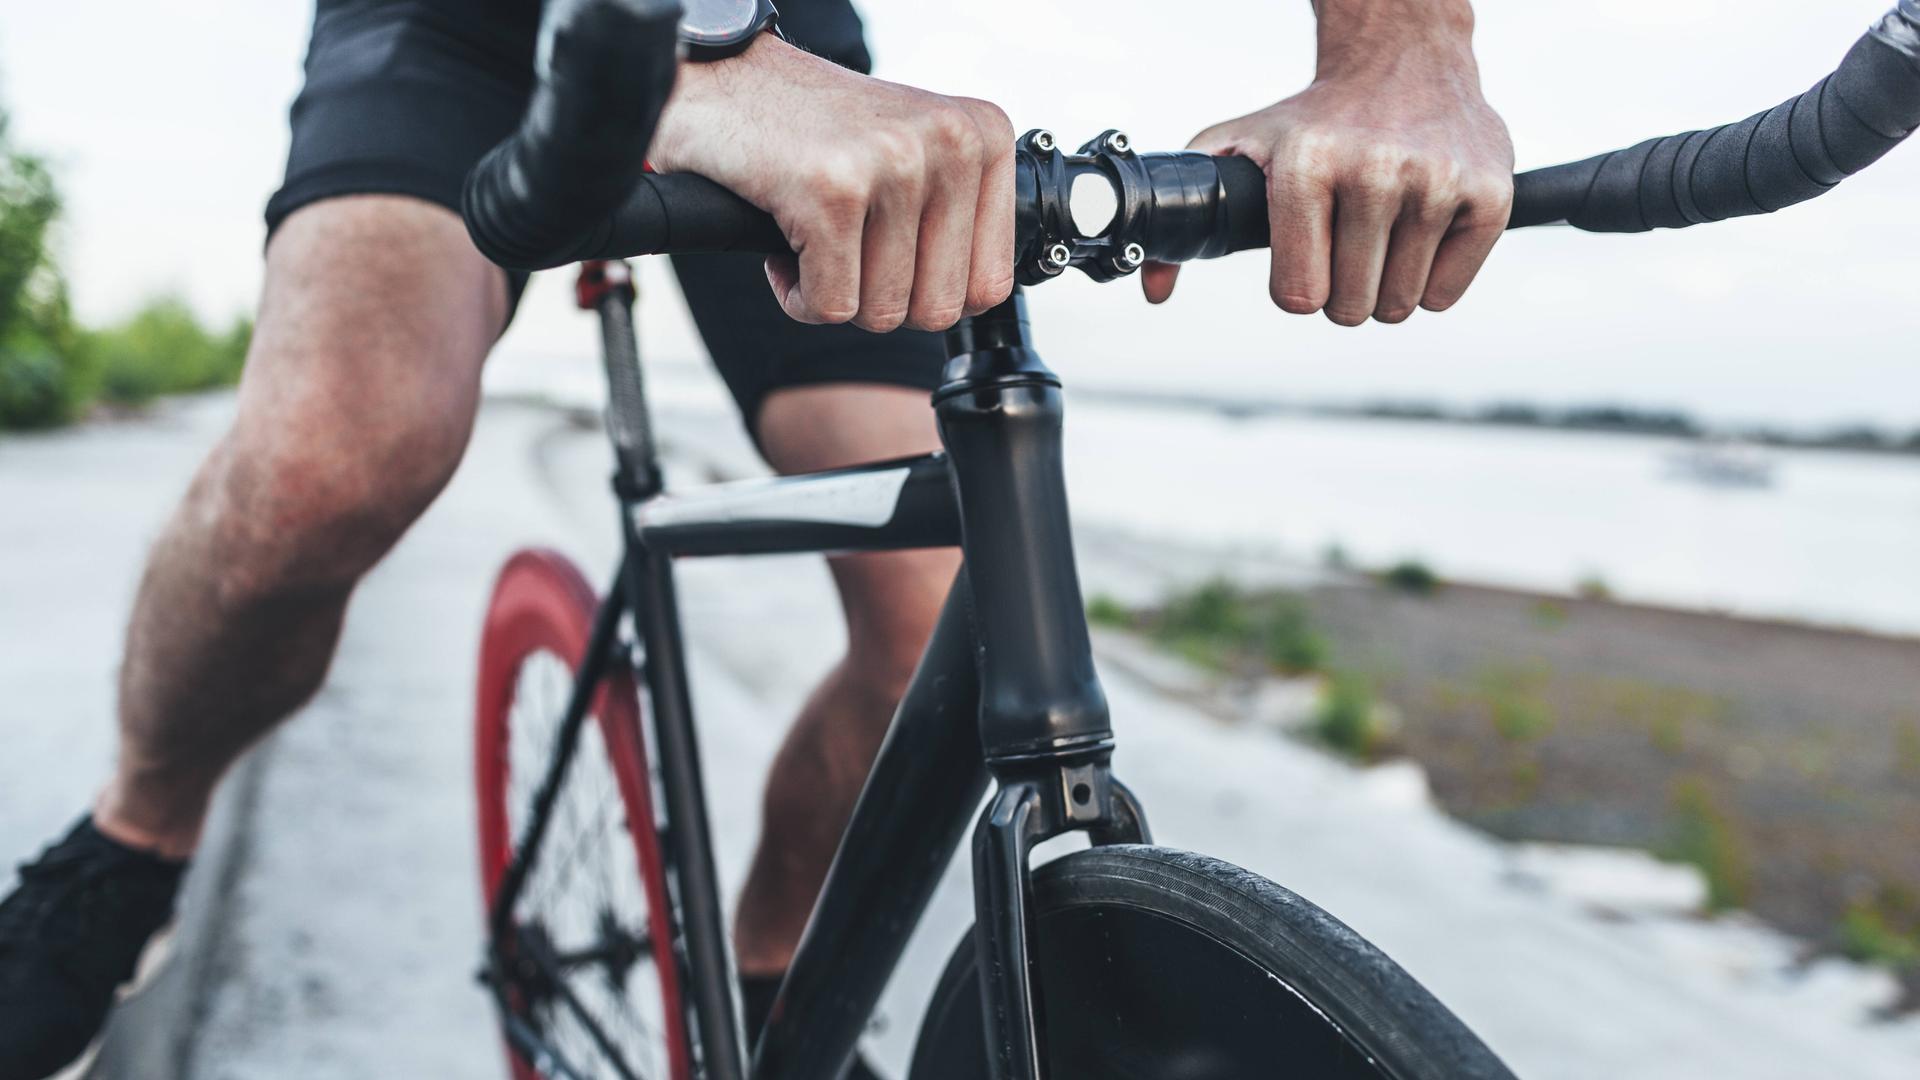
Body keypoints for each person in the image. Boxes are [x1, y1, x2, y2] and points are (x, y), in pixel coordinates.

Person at [0, 0, 1512, 1075]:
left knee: (935, 620)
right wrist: (704, 44)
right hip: (457, 27)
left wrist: (1401, 53)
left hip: (775, 20)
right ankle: (132, 841)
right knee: (329, 462)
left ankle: (769, 986)